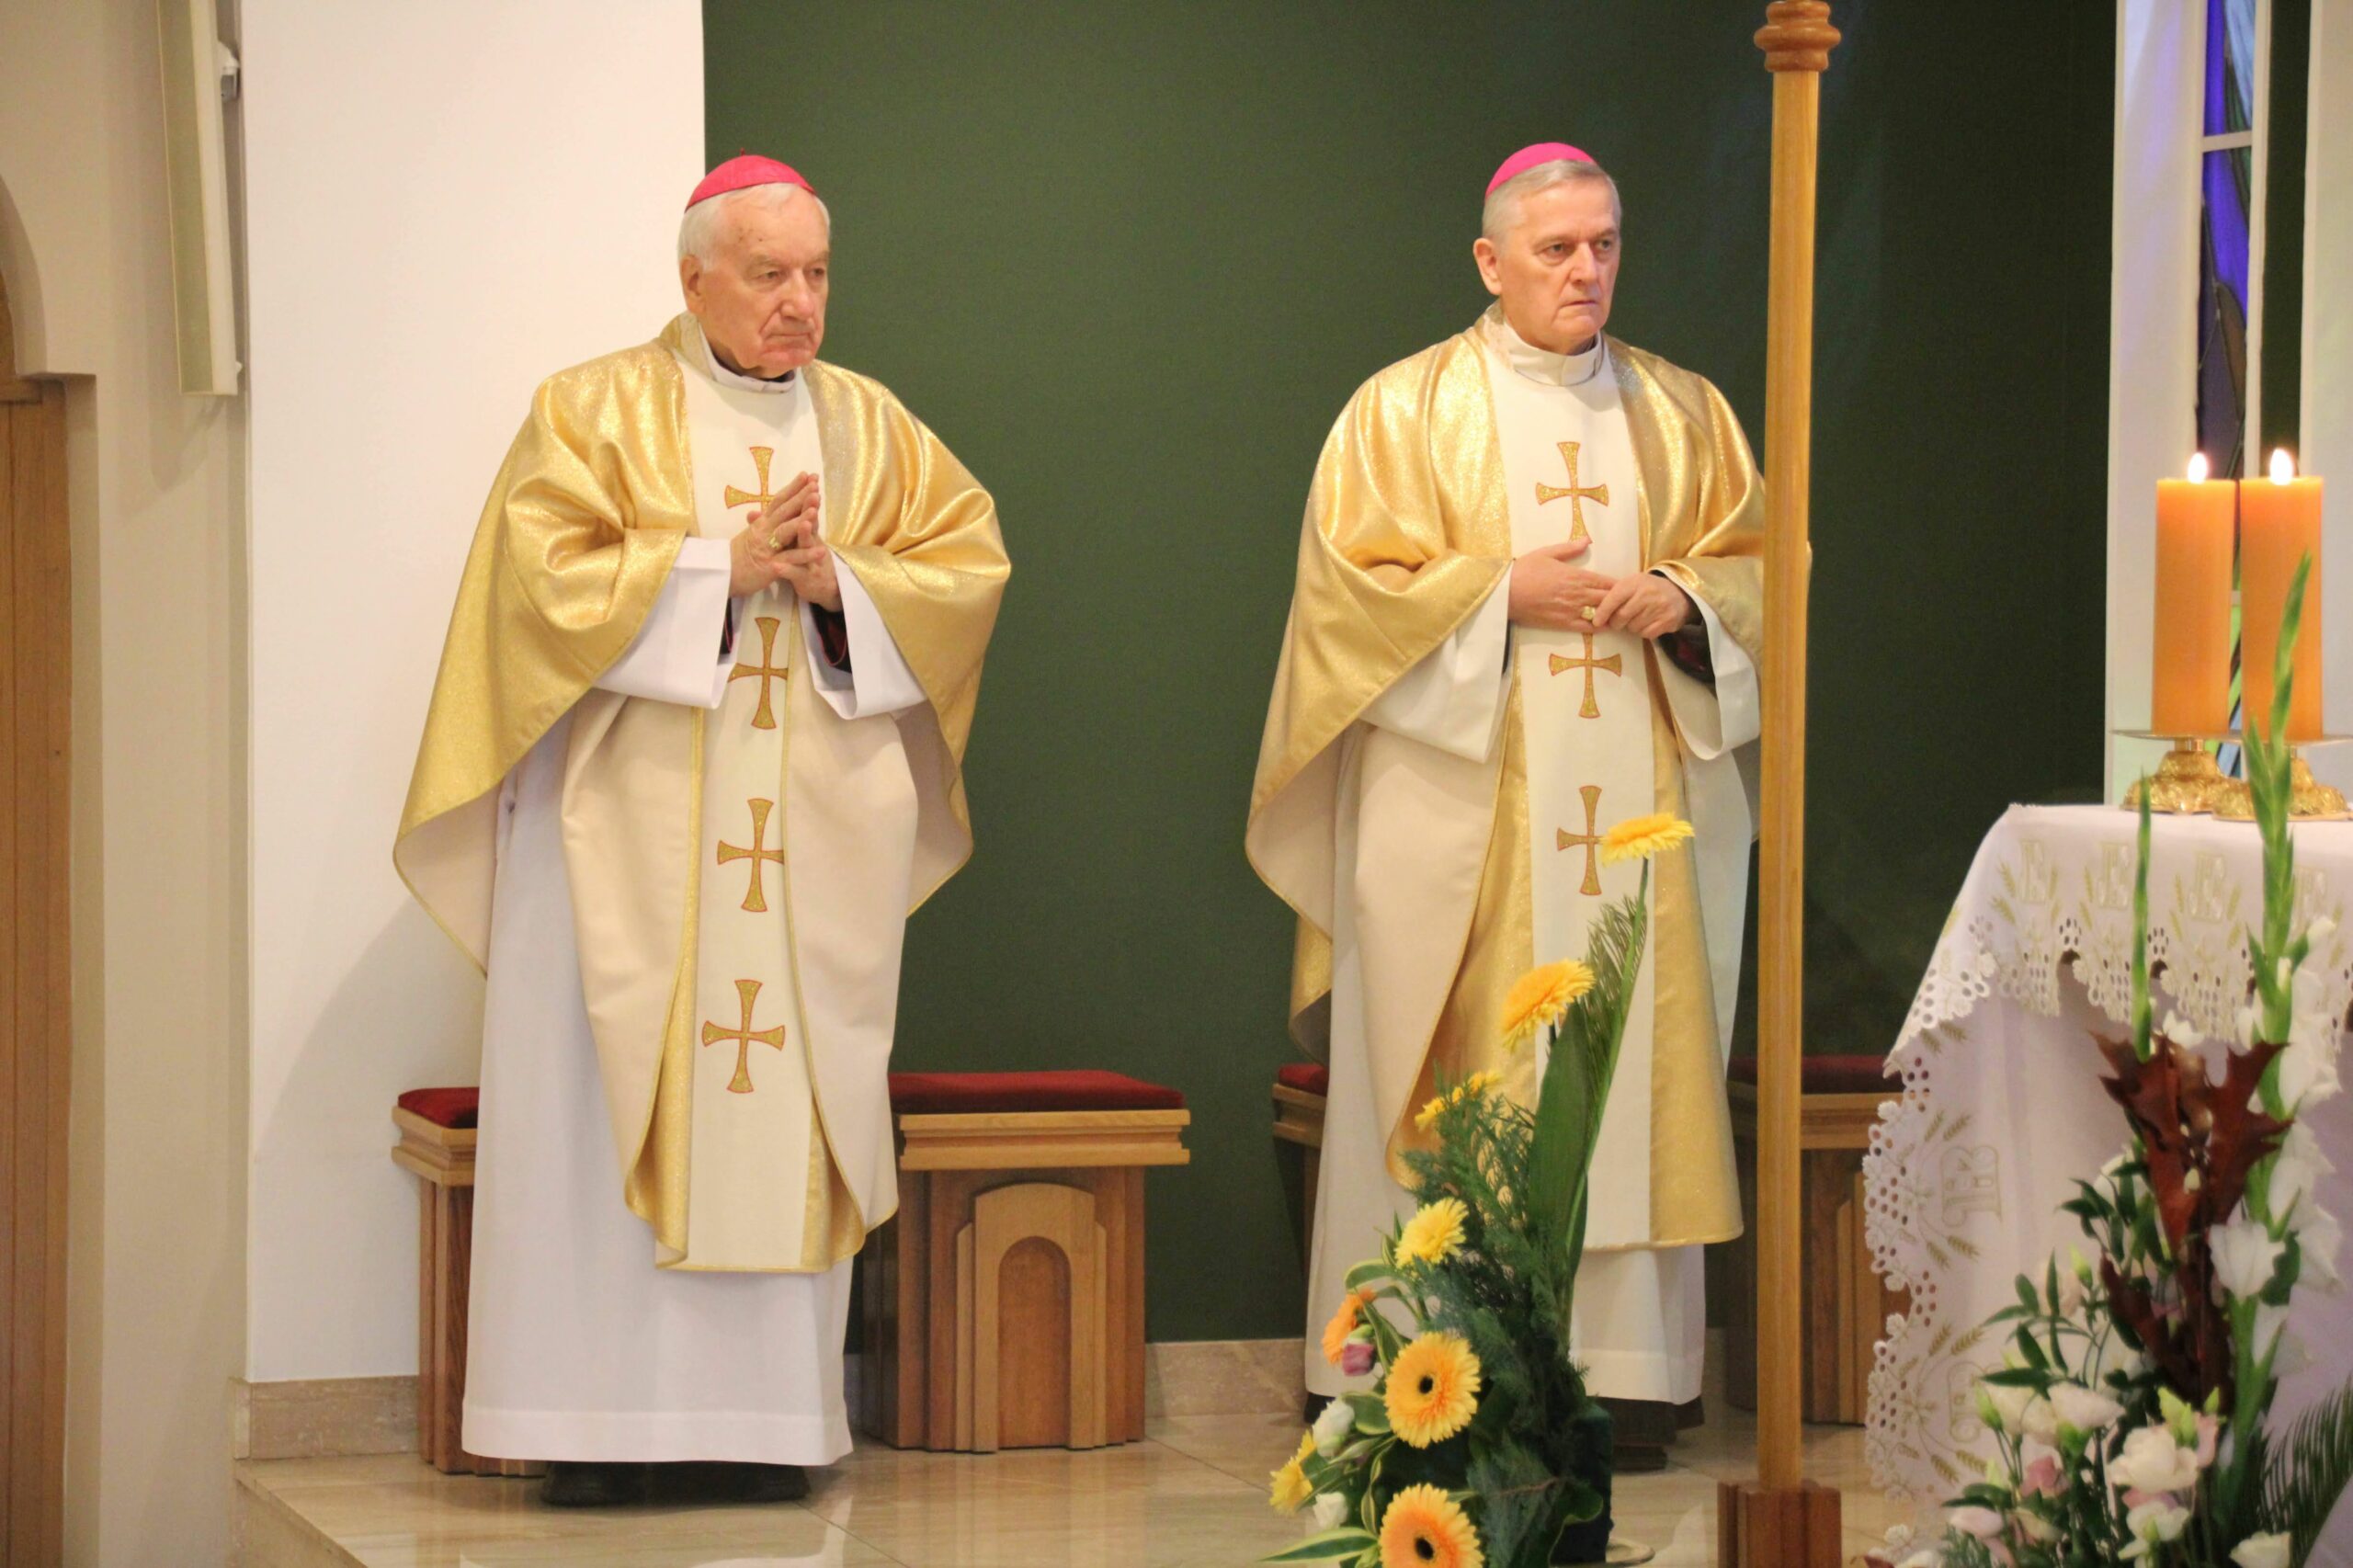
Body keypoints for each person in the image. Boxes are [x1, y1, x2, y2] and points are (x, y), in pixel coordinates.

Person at [394, 155, 1008, 1506]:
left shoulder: (872, 428)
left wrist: (838, 584)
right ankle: (590, 1426)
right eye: (769, 273)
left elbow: (967, 568)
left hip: (808, 852)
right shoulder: (592, 409)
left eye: (817, 273)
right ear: (693, 279)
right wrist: (717, 571)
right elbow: (535, 588)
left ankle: (767, 1425)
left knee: (786, 1093)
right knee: (597, 1099)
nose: (801, 302)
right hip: (618, 847)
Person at [1246, 143, 1764, 1458]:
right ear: (1490, 261)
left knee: (1627, 1053)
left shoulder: (1688, 414)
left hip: (1640, 812)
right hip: (1463, 814)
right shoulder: (1402, 413)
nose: (1587, 270)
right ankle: (1437, 1365)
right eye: (1556, 249)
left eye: (1605, 245)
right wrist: (1496, 593)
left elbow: (1765, 569)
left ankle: (1622, 1378)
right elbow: (1341, 606)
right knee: (1461, 1066)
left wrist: (1686, 600)